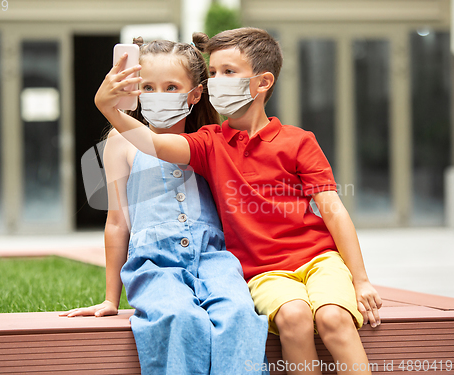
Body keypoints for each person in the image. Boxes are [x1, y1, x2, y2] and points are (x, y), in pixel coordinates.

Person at [94, 27, 383, 374]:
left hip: (273, 260)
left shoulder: (274, 141)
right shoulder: (208, 143)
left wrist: (360, 277)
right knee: (195, 316)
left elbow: (333, 210)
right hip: (217, 268)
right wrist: (109, 107)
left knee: (286, 316)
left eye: (227, 73)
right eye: (213, 72)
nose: (218, 81)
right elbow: (148, 161)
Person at [61, 35, 269, 375]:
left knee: (239, 314)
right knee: (178, 316)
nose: (158, 96)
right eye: (148, 87)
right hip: (153, 264)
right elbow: (117, 221)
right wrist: (111, 300)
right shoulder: (120, 141)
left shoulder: (211, 139)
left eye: (171, 87)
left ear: (195, 93)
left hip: (214, 259)